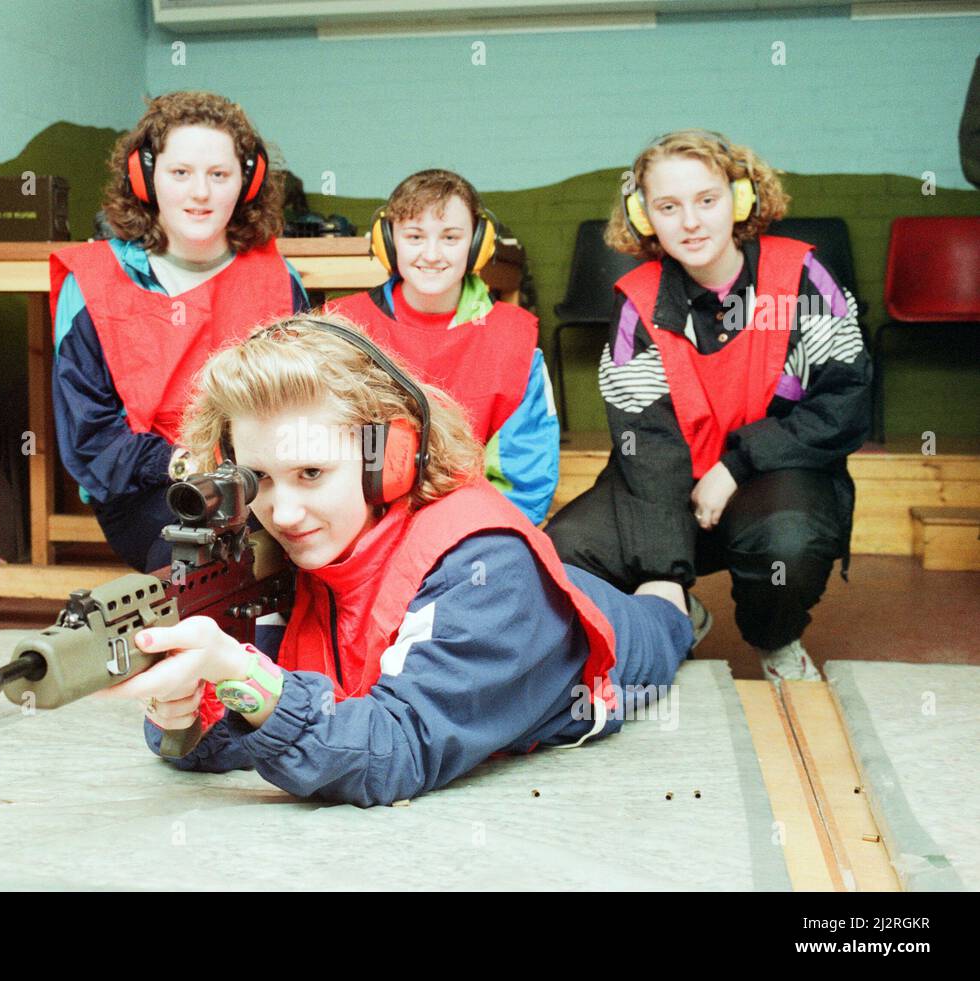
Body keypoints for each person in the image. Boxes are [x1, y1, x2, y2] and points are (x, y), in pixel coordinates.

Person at [107, 313, 694, 808]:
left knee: (663, 615)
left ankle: (675, 597)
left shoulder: (486, 570)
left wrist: (240, 673)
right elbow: (252, 731)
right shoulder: (297, 554)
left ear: (387, 458)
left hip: (594, 636)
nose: (282, 512)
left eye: (312, 472)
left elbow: (397, 751)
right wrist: (183, 713)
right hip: (506, 599)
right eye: (258, 479)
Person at [547, 130, 871, 683]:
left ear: (740, 200)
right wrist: (662, 575)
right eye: (668, 207)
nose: (690, 223)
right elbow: (644, 444)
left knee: (788, 546)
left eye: (707, 200)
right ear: (645, 216)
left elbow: (843, 405)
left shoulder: (803, 278)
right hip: (668, 484)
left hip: (774, 477)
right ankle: (684, 617)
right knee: (565, 552)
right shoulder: (636, 303)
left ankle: (776, 639)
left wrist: (735, 464)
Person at [49, 91, 309, 572]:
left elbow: (304, 410)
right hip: (144, 488)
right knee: (201, 559)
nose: (201, 193)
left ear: (246, 183)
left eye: (219, 175)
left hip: (261, 479)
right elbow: (91, 442)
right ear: (146, 179)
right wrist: (186, 464)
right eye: (180, 173)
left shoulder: (279, 280)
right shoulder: (89, 284)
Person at [326, 170, 559, 524]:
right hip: (363, 530)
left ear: (478, 243)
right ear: (388, 241)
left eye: (450, 237)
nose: (432, 254)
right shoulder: (341, 327)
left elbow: (522, 484)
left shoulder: (514, 340)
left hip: (472, 529)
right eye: (415, 236)